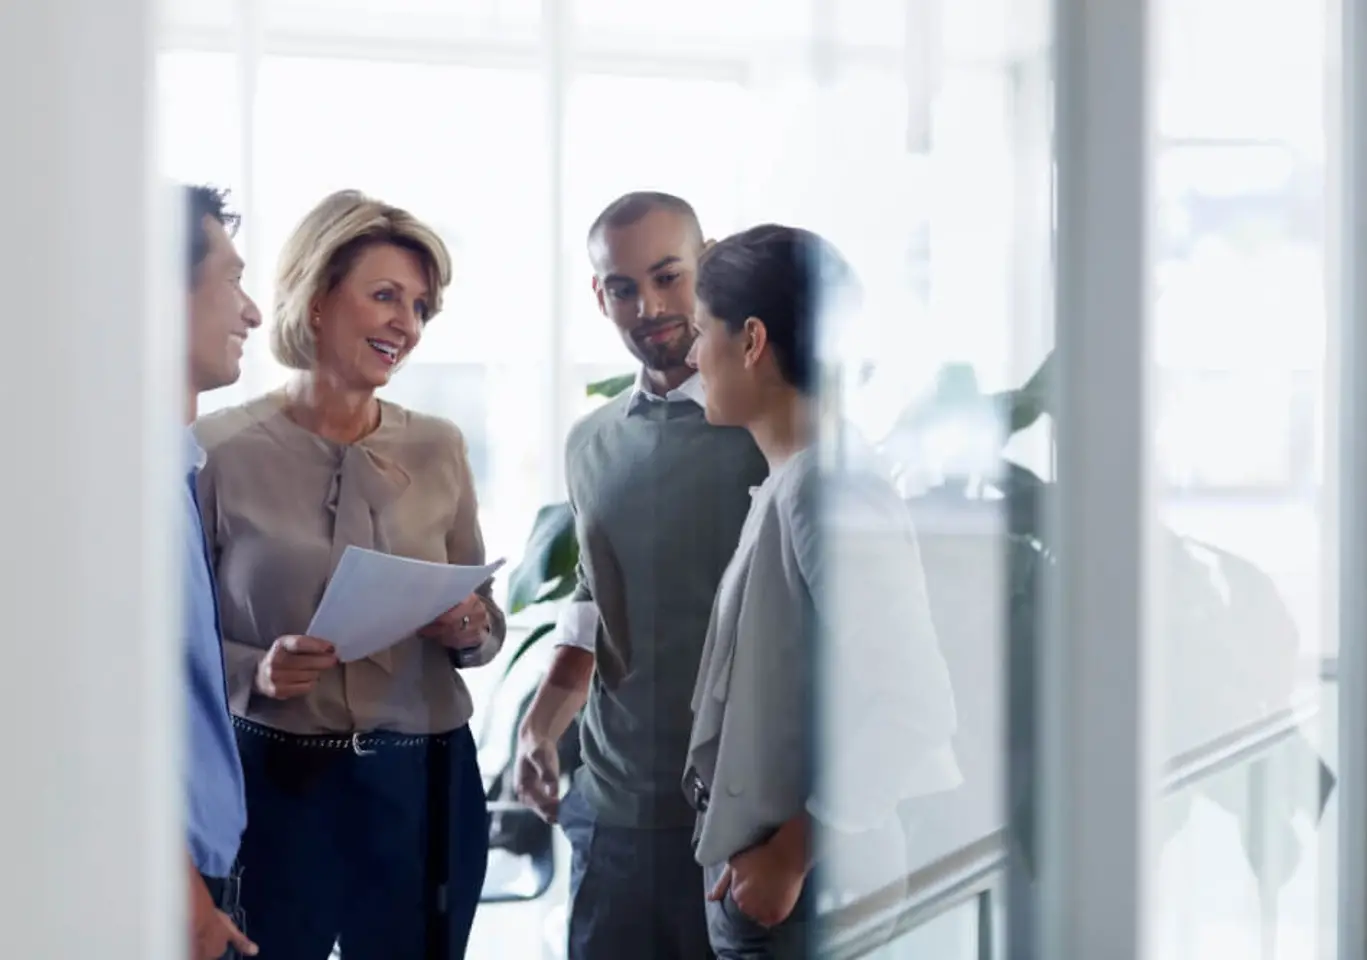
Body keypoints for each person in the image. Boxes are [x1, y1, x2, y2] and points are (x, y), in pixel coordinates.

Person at [193, 189, 503, 960]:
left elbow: (486, 616)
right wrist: (256, 669)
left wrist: (471, 625)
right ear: (318, 297)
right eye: (386, 296)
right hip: (277, 784)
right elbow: (178, 637)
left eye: (422, 307)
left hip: (426, 783)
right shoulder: (216, 450)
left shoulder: (440, 445)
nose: (408, 322)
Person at [683, 225, 961, 957]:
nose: (689, 355)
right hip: (785, 884)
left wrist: (789, 856)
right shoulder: (798, 476)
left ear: (751, 341)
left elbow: (917, 705)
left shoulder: (822, 486)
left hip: (806, 890)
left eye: (700, 331)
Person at [512, 192, 768, 960]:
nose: (648, 306)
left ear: (710, 266)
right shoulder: (590, 444)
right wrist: (541, 722)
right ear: (600, 296)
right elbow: (596, 596)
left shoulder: (768, 430)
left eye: (668, 277)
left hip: (737, 823)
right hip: (614, 813)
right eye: (622, 287)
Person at [181, 184, 262, 960]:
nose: (251, 312)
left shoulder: (177, 468)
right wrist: (183, 896)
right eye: (232, 280)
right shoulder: (119, 494)